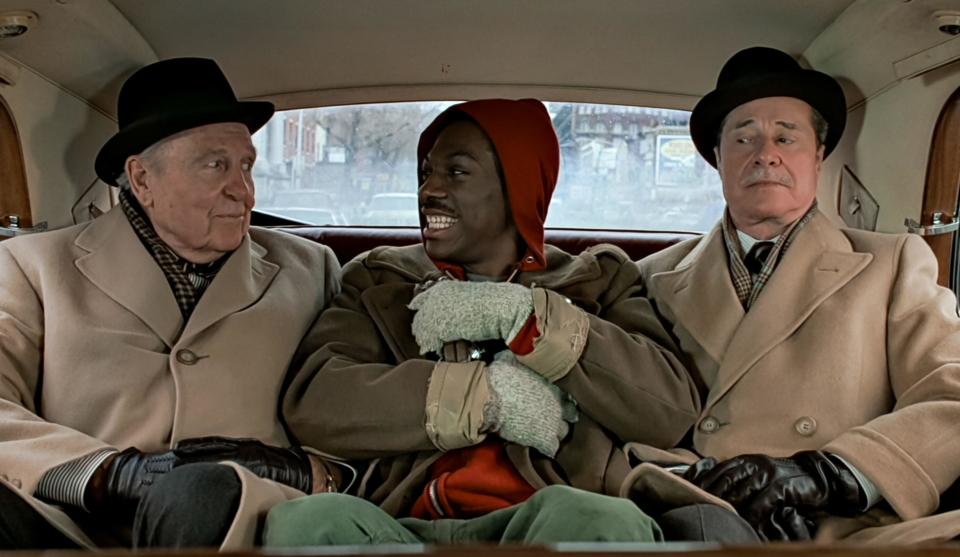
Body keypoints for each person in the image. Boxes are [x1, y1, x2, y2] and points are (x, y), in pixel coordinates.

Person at [267, 98, 756, 547]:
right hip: (400, 521)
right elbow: (316, 401)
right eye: (426, 173)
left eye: (456, 172)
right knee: (307, 523)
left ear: (517, 188)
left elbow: (666, 411)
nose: (429, 190)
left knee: (601, 521)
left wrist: (527, 319)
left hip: (548, 515)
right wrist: (485, 399)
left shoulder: (599, 280)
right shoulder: (379, 279)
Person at [0, 58, 343, 550]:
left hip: (241, 524)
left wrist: (301, 468)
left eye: (245, 165)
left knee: (199, 493)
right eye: (214, 165)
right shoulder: (31, 267)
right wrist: (109, 474)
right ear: (141, 179)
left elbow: (347, 412)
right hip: (75, 529)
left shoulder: (312, 269)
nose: (242, 191)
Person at [632, 46, 960, 542]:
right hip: (697, 510)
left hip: (841, 525)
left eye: (786, 136)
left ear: (818, 157)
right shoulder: (649, 277)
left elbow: (951, 393)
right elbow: (620, 412)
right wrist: (685, 481)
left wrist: (830, 475)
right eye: (744, 138)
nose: (766, 153)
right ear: (717, 160)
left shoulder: (892, 263)